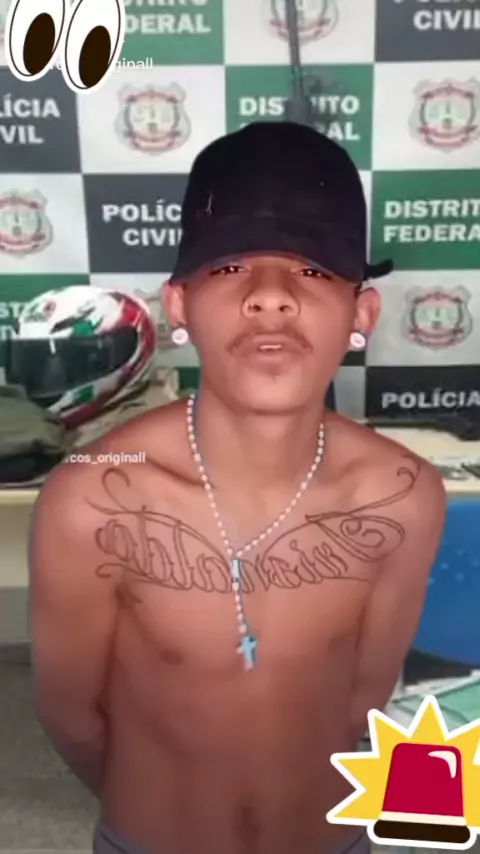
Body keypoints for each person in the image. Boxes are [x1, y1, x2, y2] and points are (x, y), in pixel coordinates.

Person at [29, 122, 447, 854]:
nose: (271, 298)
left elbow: (362, 699)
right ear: (180, 306)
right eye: (229, 266)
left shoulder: (403, 494)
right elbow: (73, 717)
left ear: (362, 313)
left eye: (313, 270)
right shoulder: (93, 499)